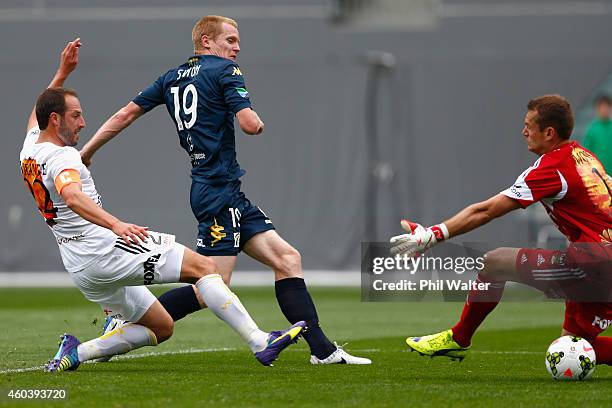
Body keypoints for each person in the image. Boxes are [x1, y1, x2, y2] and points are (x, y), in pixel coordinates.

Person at [79, 15, 370, 365]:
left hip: (224, 191)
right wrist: (257, 121)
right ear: (206, 41)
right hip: (216, 193)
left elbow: (125, 114)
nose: (237, 47)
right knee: (213, 285)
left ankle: (323, 351)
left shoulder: (170, 77)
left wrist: (87, 152)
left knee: (287, 258)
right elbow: (249, 124)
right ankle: (126, 321)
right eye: (230, 39)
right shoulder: (225, 72)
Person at [20, 39, 305, 373]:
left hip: (80, 266)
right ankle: (260, 341)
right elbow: (72, 195)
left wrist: (62, 73)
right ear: (55, 120)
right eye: (76, 116)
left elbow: (38, 112)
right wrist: (116, 225)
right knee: (207, 270)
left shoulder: (29, 148)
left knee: (162, 327)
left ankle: (75, 352)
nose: (83, 123)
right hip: (107, 249)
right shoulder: (62, 156)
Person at [390, 94, 612, 365]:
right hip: (599, 263)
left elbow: (487, 210)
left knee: (495, 262)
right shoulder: (584, 157)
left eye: (529, 125)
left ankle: (460, 337)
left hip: (595, 263)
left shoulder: (551, 168)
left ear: (549, 132)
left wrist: (434, 234)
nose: (524, 131)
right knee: (572, 349)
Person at [583, 94, 612, 174]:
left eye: (607, 107)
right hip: (598, 175)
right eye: (602, 107)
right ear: (597, 109)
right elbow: (586, 153)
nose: (605, 110)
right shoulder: (592, 130)